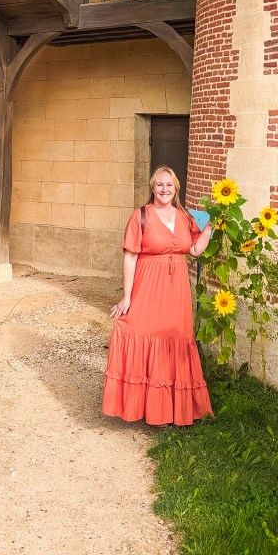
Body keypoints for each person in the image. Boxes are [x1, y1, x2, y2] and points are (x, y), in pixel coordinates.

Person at [102, 165, 214, 426]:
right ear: (152, 188)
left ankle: (172, 410)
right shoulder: (140, 216)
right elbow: (130, 257)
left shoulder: (185, 217)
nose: (165, 189)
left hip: (177, 293)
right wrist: (127, 296)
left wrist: (210, 227)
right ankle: (147, 408)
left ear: (176, 188)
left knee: (174, 339)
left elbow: (194, 250)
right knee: (136, 331)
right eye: (160, 185)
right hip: (148, 287)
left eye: (169, 185)